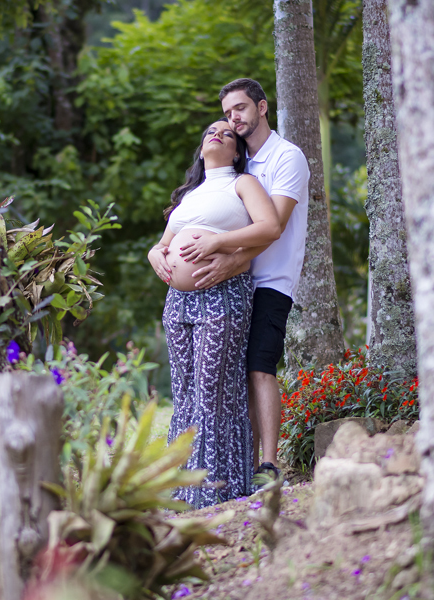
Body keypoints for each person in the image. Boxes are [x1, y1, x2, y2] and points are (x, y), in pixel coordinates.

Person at [154, 79, 310, 480]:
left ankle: (268, 464)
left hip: (269, 278)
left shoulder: (285, 158)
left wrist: (229, 259)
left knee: (259, 366)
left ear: (262, 108)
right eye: (226, 114)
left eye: (239, 109)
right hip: (227, 284)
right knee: (223, 380)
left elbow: (272, 227)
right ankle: (232, 467)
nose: (232, 119)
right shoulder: (240, 165)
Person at [148, 118, 280, 508]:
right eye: (210, 131)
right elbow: (163, 243)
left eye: (227, 132)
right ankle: (184, 489)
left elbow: (269, 226)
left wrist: (217, 242)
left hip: (222, 293)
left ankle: (216, 488)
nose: (217, 134)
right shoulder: (190, 196)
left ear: (237, 150)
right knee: (185, 391)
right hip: (178, 301)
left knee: (212, 389)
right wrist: (156, 253)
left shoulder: (242, 184)